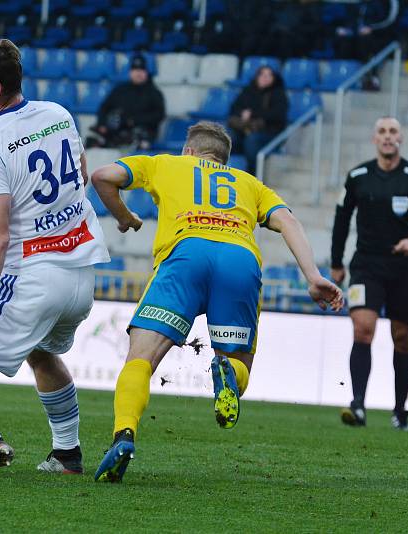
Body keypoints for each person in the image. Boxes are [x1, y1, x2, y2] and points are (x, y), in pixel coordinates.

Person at [90, 121, 343, 483]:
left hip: (186, 256)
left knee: (141, 360)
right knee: (240, 369)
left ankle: (124, 435)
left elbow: (102, 176)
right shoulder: (249, 183)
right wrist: (313, 277)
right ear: (224, 158)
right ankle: (226, 373)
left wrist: (125, 217)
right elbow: (287, 220)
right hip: (239, 260)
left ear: (189, 151)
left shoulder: (166, 163)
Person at [0, 39, 110, 476]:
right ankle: (67, 455)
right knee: (42, 353)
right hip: (82, 276)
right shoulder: (58, 114)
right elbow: (81, 176)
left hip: (32, 276)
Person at [331, 117, 408, 431]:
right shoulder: (358, 176)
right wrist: (336, 263)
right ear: (374, 139)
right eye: (382, 132)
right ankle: (357, 405)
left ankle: (399, 410)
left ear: (401, 138)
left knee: (402, 338)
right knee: (363, 329)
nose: (387, 137)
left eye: (393, 132)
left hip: (405, 269)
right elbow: (342, 220)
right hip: (367, 264)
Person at [86, 54, 165, 151]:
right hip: (117, 132)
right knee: (92, 142)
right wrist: (102, 124)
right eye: (135, 70)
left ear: (146, 72)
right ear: (130, 72)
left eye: (141, 70)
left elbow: (159, 115)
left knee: (140, 144)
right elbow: (104, 107)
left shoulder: (154, 93)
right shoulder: (120, 90)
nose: (138, 73)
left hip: (142, 133)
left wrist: (133, 121)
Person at [228, 65, 288, 176]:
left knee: (252, 141)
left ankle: (253, 176)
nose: (265, 78)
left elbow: (277, 115)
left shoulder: (279, 93)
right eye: (262, 75)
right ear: (257, 77)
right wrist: (242, 114)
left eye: (269, 75)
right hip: (244, 129)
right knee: (227, 137)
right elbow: (234, 109)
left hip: (269, 132)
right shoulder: (247, 91)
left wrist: (252, 114)